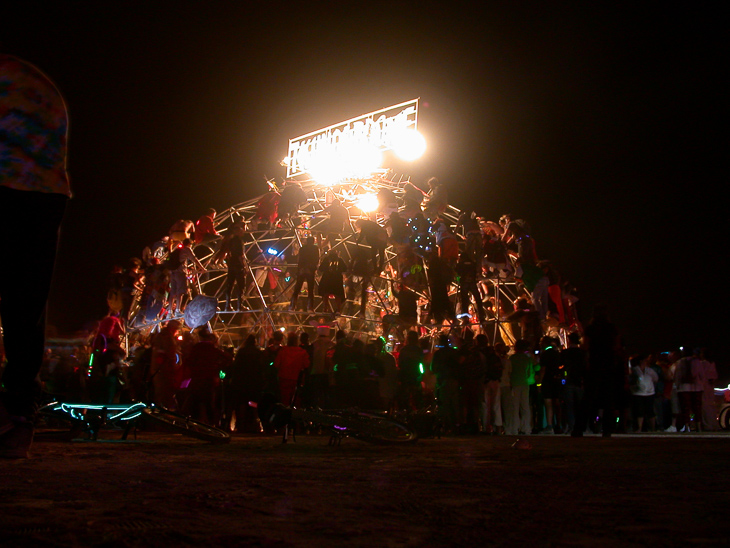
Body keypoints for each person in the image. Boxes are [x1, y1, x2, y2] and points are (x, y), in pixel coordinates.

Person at [1, 54, 71, 458]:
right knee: (25, 305)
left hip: (8, 184)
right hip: (46, 193)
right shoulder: (32, 77)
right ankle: (19, 418)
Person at [274, 332, 310, 406]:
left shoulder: (283, 351)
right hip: (297, 379)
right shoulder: (302, 352)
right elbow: (307, 365)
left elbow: (276, 364)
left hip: (284, 378)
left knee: (284, 400)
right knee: (296, 400)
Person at [629, 354, 658, 432]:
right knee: (639, 411)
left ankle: (652, 428)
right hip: (637, 393)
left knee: (650, 411)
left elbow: (656, 379)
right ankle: (639, 428)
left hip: (649, 393)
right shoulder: (634, 370)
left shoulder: (650, 370)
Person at [289, 237, 319, 311]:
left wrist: (300, 269)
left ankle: (292, 306)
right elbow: (316, 259)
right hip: (310, 270)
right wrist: (314, 268)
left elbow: (299, 259)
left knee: (297, 288)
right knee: (311, 289)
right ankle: (310, 307)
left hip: (302, 270)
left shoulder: (302, 248)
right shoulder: (315, 248)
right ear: (313, 241)